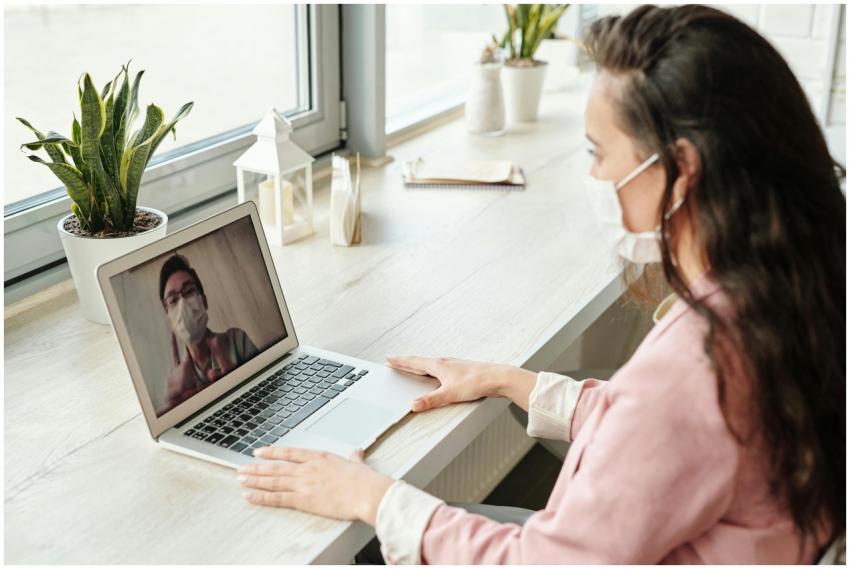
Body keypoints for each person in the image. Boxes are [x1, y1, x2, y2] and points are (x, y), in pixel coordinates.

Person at [233, 5, 845, 564]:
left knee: (357, 550)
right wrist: (511, 381)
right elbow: (667, 439)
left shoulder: (697, 365)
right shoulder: (787, 289)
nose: (594, 175)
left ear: (681, 171)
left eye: (599, 153)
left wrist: (374, 498)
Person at [160, 254, 258, 411]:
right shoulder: (176, 383)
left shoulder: (237, 340)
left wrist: (236, 382)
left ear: (204, 301)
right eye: (173, 300)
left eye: (189, 291)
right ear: (169, 319)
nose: (183, 304)